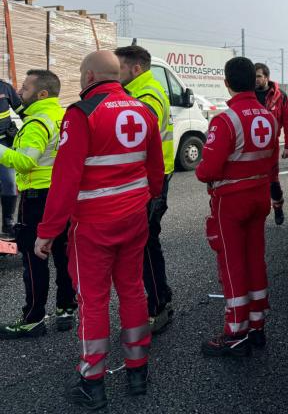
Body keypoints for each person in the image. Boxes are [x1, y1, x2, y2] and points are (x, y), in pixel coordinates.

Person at [34, 51, 164, 409]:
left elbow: (64, 180)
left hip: (93, 223)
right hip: (134, 217)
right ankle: (138, 369)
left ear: (90, 75)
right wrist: (146, 202)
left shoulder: (81, 113)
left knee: (93, 299)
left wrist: (47, 231)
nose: (78, 78)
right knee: (133, 289)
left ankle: (93, 381)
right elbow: (155, 171)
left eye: (79, 73)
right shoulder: (143, 111)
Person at [196, 57, 278, 357]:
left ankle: (235, 331)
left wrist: (203, 171)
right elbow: (272, 161)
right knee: (256, 260)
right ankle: (257, 325)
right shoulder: (269, 116)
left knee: (231, 264)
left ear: (227, 83)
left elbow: (208, 169)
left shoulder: (226, 119)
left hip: (231, 202)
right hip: (258, 198)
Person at [0, 70, 77, 339]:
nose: (20, 92)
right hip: (64, 196)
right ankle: (66, 309)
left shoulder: (36, 124)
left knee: (35, 259)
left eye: (25, 88)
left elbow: (25, 161)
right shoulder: (62, 116)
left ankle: (32, 318)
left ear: (41, 94)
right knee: (64, 254)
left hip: (37, 199)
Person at [115, 45, 174, 334]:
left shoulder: (147, 96)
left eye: (120, 68)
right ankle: (160, 295)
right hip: (149, 177)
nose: (116, 74)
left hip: (152, 180)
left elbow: (136, 139)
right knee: (145, 242)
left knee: (146, 242)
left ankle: (158, 306)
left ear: (135, 68)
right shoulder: (136, 93)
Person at [255, 63, 288, 225]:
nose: (255, 80)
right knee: (252, 182)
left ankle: (278, 207)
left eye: (258, 76)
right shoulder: (248, 94)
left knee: (272, 182)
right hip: (250, 146)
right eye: (253, 76)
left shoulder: (280, 96)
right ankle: (255, 215)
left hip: (271, 146)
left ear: (267, 77)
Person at [0, 77, 24, 237]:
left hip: (5, 144)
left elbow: (23, 111)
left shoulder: (5, 88)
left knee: (9, 183)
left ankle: (8, 224)